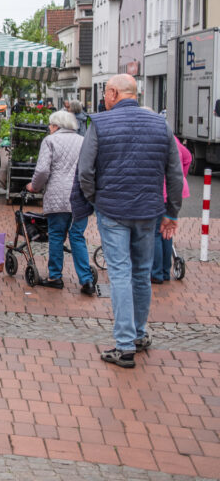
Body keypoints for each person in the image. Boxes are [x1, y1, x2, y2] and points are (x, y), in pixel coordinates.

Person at [73, 74, 183, 368]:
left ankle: (124, 346)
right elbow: (174, 172)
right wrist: (172, 212)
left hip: (112, 210)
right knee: (141, 272)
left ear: (112, 93)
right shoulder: (161, 124)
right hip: (148, 211)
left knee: (120, 273)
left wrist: (96, 199)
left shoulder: (100, 123)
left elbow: (85, 170)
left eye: (106, 93)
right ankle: (139, 334)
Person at [25, 110, 92, 293]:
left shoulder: (50, 141)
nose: (49, 128)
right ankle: (86, 280)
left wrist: (34, 186)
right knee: (77, 235)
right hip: (80, 196)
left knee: (56, 235)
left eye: (50, 125)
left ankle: (55, 276)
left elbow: (42, 171)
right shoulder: (83, 140)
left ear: (56, 125)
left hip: (58, 196)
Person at [151, 127, 192, 283]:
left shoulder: (153, 141)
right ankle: (165, 272)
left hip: (160, 191)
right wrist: (181, 176)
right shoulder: (172, 139)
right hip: (174, 190)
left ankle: (156, 274)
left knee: (156, 232)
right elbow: (188, 158)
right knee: (166, 231)